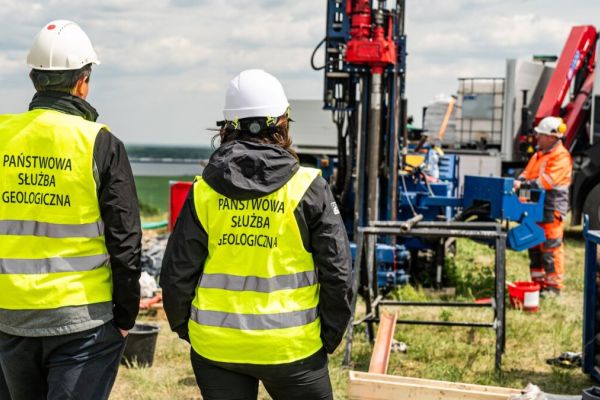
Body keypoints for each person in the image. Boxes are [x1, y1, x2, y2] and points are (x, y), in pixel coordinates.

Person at [161, 69, 353, 400]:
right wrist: (328, 337)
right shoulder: (308, 188)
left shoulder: (204, 191)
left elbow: (177, 274)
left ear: (227, 126)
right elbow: (338, 274)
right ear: (283, 122)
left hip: (217, 347)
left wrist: (189, 330)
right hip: (293, 348)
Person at [0, 20, 142, 399]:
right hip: (83, 322)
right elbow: (125, 241)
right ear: (82, 81)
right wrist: (125, 317)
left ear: (33, 79)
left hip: (9, 317)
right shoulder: (100, 143)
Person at [513, 116, 573, 296]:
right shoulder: (538, 155)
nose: (537, 137)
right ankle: (537, 285)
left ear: (552, 137)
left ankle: (553, 288)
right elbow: (526, 174)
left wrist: (522, 186)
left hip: (550, 209)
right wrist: (521, 187)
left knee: (550, 249)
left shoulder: (561, 156)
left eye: (541, 134)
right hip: (534, 208)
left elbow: (545, 182)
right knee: (534, 247)